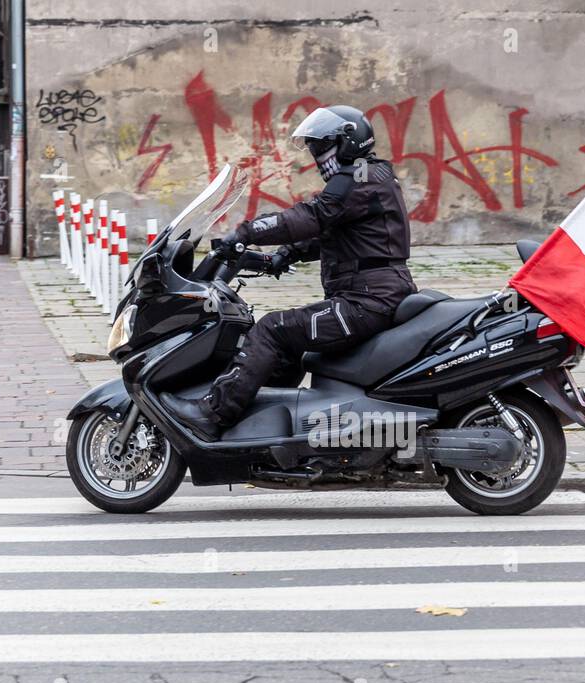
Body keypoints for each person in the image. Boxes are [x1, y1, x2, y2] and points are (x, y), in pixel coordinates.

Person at [162, 104, 417, 441]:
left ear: (347, 141)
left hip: (366, 301)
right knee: (287, 344)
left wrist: (247, 231)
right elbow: (335, 233)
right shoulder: (371, 174)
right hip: (376, 294)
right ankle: (260, 427)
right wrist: (284, 255)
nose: (316, 154)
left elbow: (312, 217)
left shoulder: (357, 177)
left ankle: (213, 413)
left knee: (271, 329)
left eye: (320, 146)